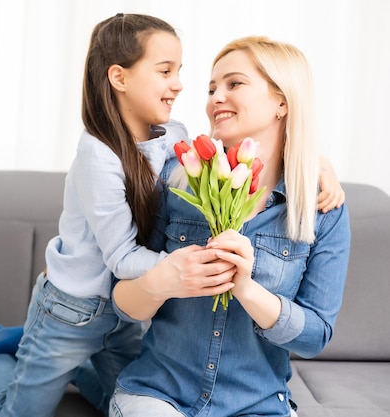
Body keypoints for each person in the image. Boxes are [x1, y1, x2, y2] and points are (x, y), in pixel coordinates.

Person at [0, 13, 222, 417]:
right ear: (119, 77)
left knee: (121, 407)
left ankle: (67, 367)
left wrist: (313, 163)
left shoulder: (173, 135)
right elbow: (123, 258)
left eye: (179, 71)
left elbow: (225, 164)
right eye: (165, 71)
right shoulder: (98, 155)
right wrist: (181, 268)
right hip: (70, 313)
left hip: (124, 313)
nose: (178, 83)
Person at [108, 36, 351, 417]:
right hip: (159, 395)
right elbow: (121, 302)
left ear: (282, 101)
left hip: (257, 407)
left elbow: (315, 336)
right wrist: (163, 280)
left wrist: (246, 288)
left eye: (233, 84)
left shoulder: (322, 207)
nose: (214, 98)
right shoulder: (176, 180)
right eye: (211, 88)